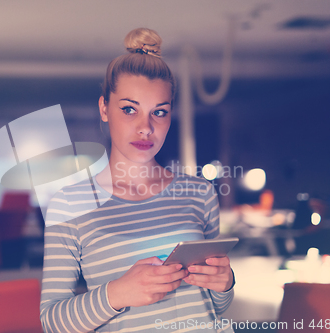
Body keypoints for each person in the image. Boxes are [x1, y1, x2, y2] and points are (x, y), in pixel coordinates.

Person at [40, 28, 235, 333]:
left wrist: (225, 284)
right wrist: (116, 293)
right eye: (129, 109)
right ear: (104, 108)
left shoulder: (199, 192)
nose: (146, 128)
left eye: (159, 112)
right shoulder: (70, 204)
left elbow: (215, 306)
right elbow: (52, 321)